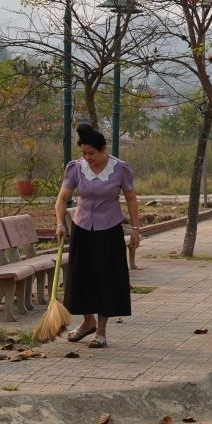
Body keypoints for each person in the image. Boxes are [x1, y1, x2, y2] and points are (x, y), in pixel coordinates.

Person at [53, 123, 142, 348]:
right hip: (82, 228)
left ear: (103, 149)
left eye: (91, 153)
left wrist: (135, 229)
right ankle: (88, 321)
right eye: (83, 153)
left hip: (109, 230)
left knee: (106, 279)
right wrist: (60, 223)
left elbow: (131, 198)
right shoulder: (75, 168)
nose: (87, 157)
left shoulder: (120, 169)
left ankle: (101, 332)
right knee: (81, 277)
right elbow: (62, 198)